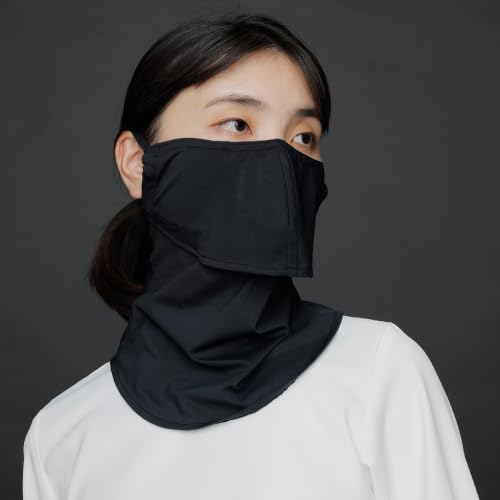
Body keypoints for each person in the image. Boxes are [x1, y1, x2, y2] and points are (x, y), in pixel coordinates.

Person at [22, 12, 480, 500]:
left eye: (303, 137)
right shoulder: (62, 437)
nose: (281, 162)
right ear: (138, 164)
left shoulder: (379, 373)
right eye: (237, 123)